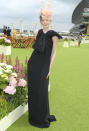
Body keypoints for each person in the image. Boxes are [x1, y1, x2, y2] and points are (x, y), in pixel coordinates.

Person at [27, 3, 62, 128]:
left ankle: (41, 117)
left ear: (50, 20)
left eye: (47, 19)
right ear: (41, 20)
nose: (45, 21)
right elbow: (35, 49)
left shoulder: (54, 35)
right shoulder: (37, 32)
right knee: (32, 90)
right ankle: (33, 116)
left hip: (43, 67)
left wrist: (49, 68)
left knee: (41, 91)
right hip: (33, 65)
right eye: (43, 19)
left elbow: (53, 53)